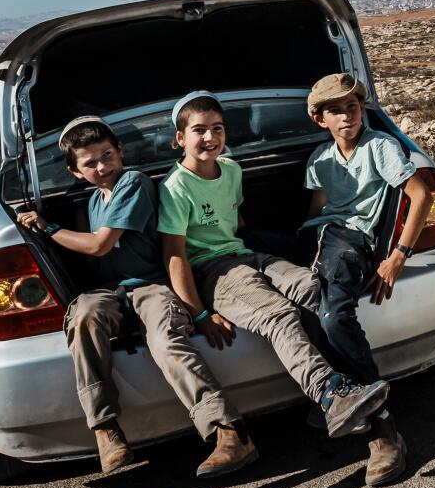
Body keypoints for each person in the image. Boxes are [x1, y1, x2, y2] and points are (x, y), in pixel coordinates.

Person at [17, 116, 254, 478]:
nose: (102, 167)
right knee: (83, 317)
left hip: (150, 285)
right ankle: (106, 431)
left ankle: (228, 430)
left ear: (120, 152)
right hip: (111, 292)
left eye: (107, 155)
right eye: (90, 163)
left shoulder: (133, 183)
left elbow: (100, 246)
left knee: (166, 340)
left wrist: (47, 227)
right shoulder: (94, 202)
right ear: (75, 172)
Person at [158, 91, 389, 444]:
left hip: (245, 254)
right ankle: (330, 394)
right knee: (278, 314)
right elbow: (174, 256)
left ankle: (347, 390)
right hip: (212, 271)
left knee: (313, 287)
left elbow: (235, 221)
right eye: (199, 131)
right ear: (180, 139)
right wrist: (200, 313)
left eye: (217, 129)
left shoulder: (232, 169)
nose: (210, 138)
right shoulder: (175, 189)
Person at [300, 73, 428, 488]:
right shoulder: (319, 160)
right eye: (335, 110)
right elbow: (317, 209)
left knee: (335, 316)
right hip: (318, 237)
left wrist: (397, 257)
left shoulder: (380, 147)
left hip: (349, 239)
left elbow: (421, 194)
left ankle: (382, 425)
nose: (346, 115)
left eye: (352, 106)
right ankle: (333, 395)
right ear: (320, 120)